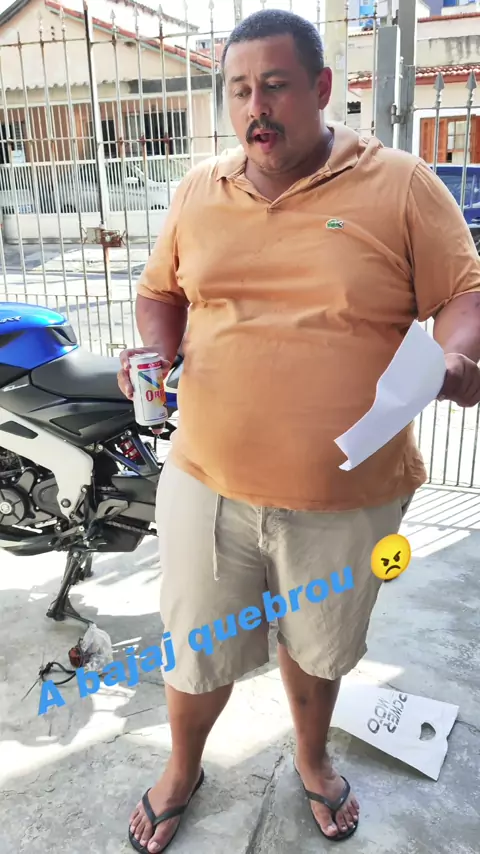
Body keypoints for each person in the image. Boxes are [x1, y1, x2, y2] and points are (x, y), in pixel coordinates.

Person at [117, 9, 480, 852]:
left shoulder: (400, 185)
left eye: (275, 86)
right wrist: (158, 351)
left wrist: (457, 357)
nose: (256, 107)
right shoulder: (198, 191)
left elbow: (463, 292)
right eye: (240, 90)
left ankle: (312, 761)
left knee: (319, 648)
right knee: (195, 647)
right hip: (207, 482)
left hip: (348, 498)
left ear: (320, 88)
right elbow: (161, 291)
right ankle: (182, 768)